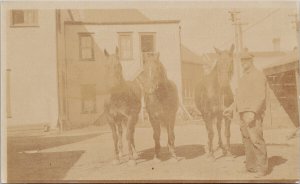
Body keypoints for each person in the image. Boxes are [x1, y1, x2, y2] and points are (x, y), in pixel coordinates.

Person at [224, 51, 268, 178]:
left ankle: (262, 169)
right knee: (247, 141)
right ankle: (251, 167)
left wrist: (253, 112)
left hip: (251, 114)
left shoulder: (258, 76)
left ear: (251, 60)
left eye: (246, 60)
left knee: (256, 140)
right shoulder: (243, 78)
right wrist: (231, 108)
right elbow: (238, 97)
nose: (243, 63)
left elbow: (261, 96)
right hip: (242, 114)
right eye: (242, 61)